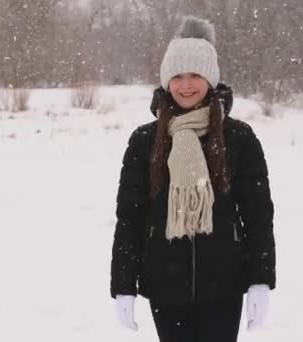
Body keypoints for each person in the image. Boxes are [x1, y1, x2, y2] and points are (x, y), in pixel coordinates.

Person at [110, 16, 276, 342]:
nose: (186, 85)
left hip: (225, 282)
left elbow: (258, 216)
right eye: (177, 76)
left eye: (195, 75)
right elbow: (130, 217)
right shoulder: (145, 140)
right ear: (166, 81)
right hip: (164, 282)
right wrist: (123, 286)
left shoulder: (238, 137)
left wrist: (260, 279)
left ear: (211, 78)